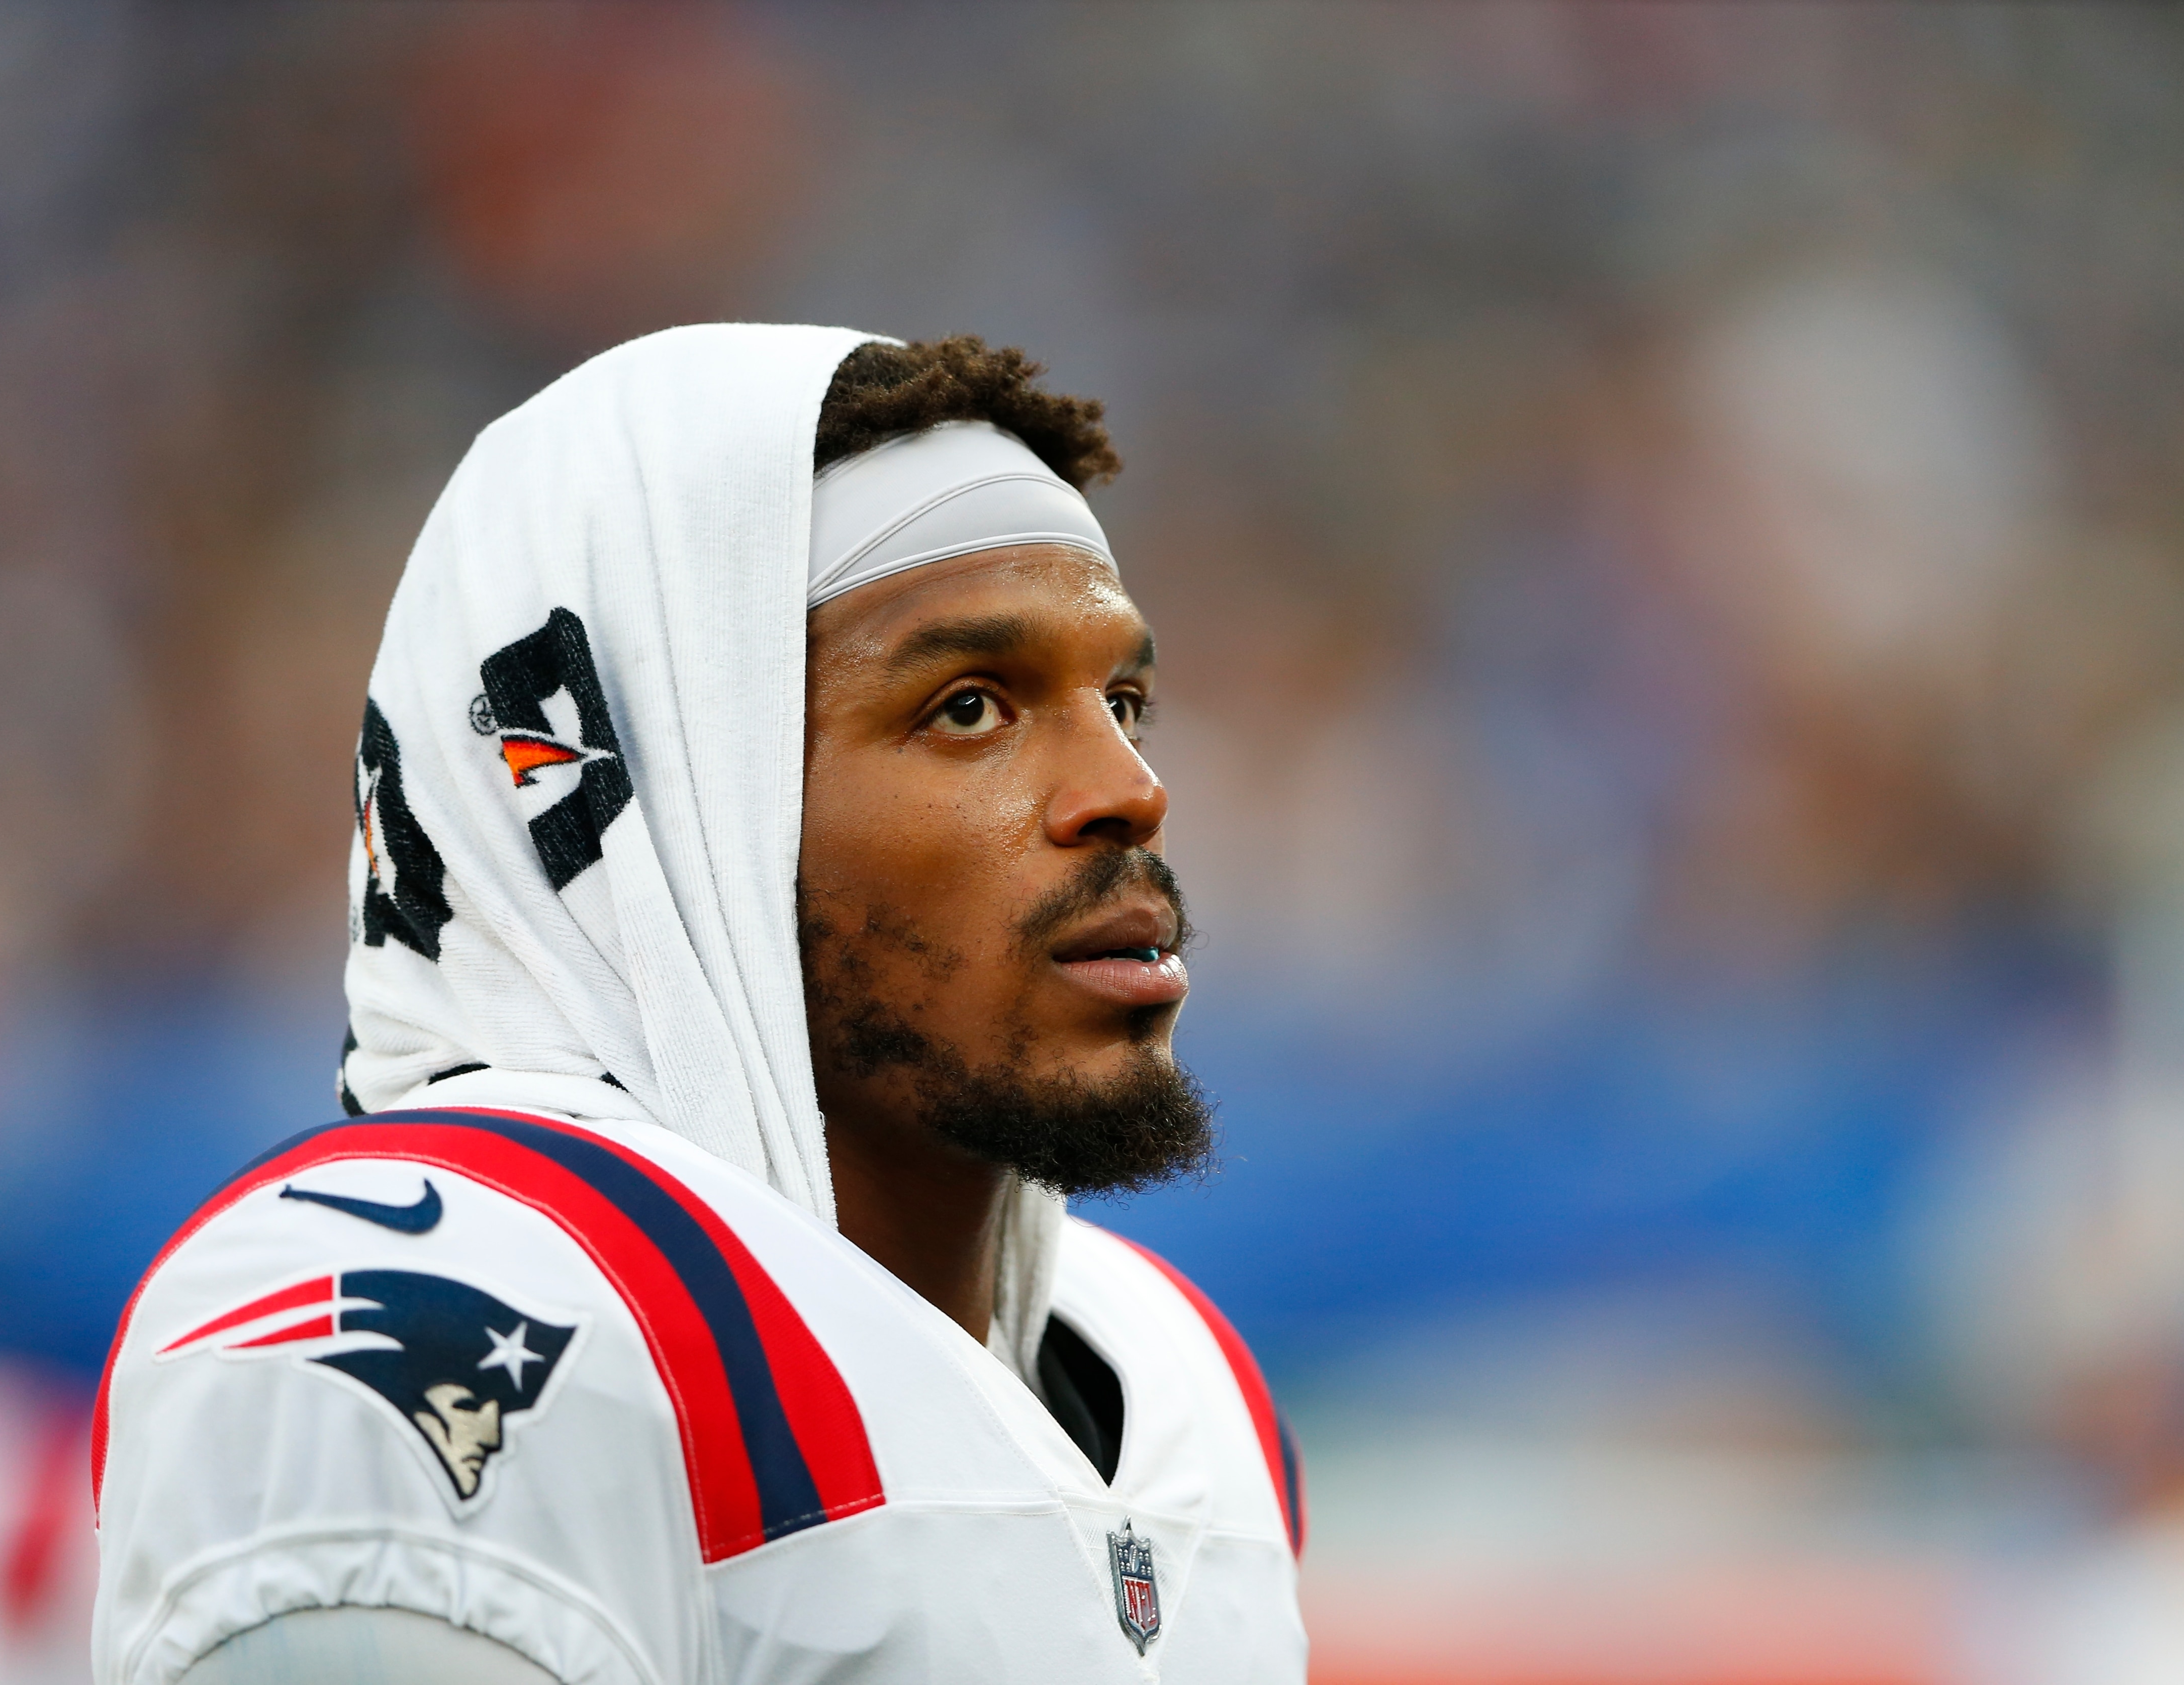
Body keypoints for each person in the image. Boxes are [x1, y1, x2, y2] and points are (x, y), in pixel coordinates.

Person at [91, 327, 1308, 1683]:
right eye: (969, 707)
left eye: (1125, 699)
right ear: (658, 808)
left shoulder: (1184, 1374)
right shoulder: (430, 1303)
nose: (1131, 786)